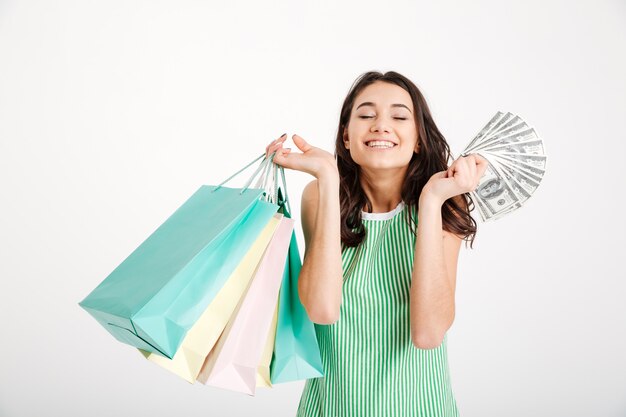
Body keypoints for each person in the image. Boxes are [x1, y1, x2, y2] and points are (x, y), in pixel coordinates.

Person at [265, 71, 488, 417]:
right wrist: (327, 177)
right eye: (366, 115)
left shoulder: (445, 204)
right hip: (332, 408)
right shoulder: (320, 196)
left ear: (417, 139)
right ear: (347, 137)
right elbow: (322, 310)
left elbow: (428, 334)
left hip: (421, 408)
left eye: (399, 116)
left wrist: (430, 202)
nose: (381, 125)